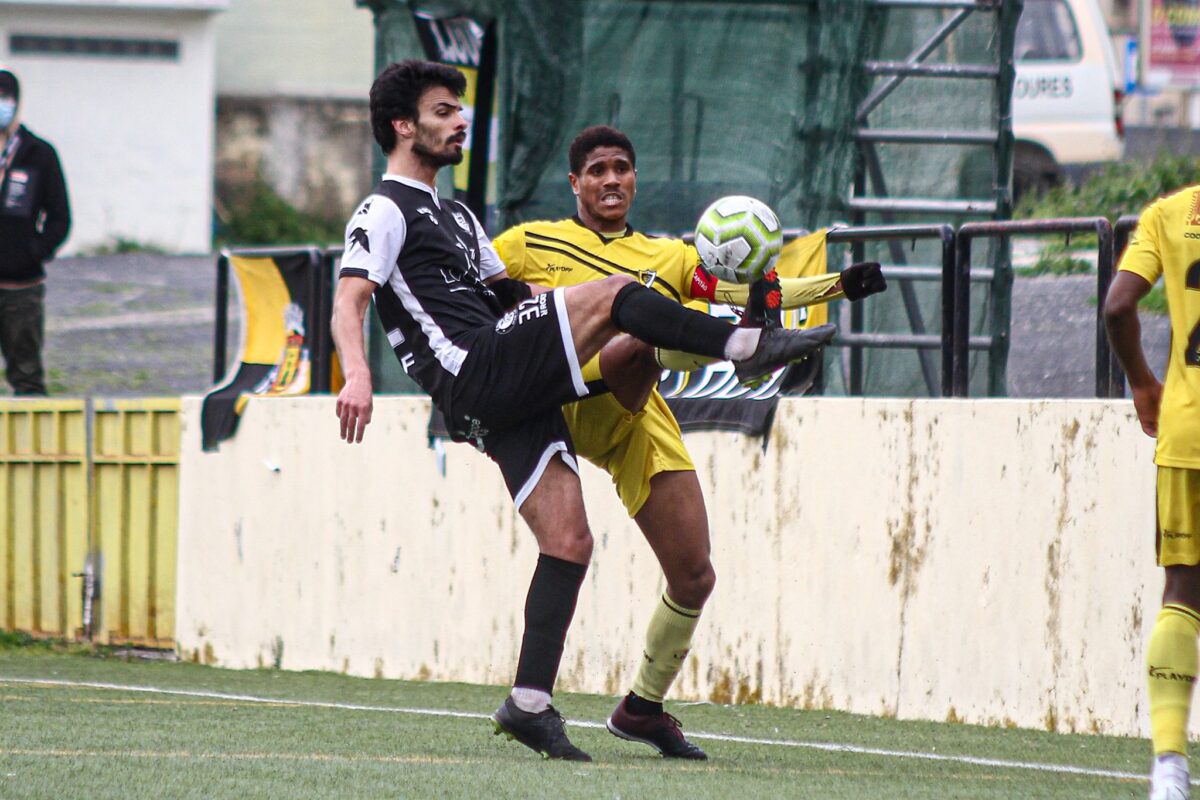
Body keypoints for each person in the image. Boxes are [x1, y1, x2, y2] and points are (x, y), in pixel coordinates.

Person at [331, 60, 837, 763]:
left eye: (459, 109)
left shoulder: (457, 215)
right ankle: (742, 344)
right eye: (445, 110)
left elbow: (509, 299)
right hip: (473, 368)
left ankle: (529, 703)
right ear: (403, 126)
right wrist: (356, 374)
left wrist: (567, 318)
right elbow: (351, 296)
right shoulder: (384, 208)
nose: (459, 121)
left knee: (570, 540)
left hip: (504, 394)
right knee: (616, 291)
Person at [492, 124, 886, 759]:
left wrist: (839, 284)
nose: (612, 179)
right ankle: (746, 348)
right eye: (597, 170)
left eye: (622, 167)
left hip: (632, 412)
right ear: (575, 183)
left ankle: (642, 708)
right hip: (557, 405)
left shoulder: (669, 257)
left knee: (695, 574)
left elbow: (748, 288)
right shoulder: (528, 242)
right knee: (629, 337)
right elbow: (471, 290)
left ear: (635, 178)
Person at [1104, 185, 1200, 800]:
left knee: (1182, 594)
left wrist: (1142, 382)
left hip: (1189, 429)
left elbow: (1117, 307)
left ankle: (1169, 767)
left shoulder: (1169, 213)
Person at [0, 66, 70, 396]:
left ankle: (29, 448)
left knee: (27, 376)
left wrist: (33, 252)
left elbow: (60, 217)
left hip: (20, 288)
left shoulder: (39, 154)